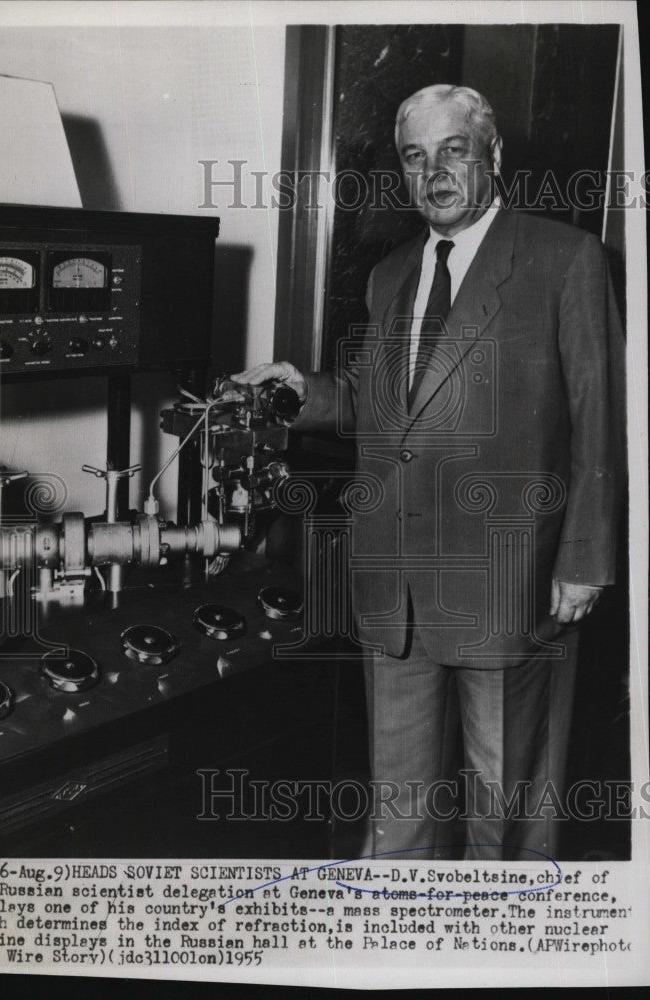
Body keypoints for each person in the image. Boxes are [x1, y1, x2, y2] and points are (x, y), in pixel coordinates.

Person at [233, 84, 624, 861]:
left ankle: (503, 960)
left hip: (509, 585)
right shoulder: (390, 276)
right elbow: (390, 411)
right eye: (415, 157)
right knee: (399, 808)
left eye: (453, 150)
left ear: (492, 156)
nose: (433, 172)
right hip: (398, 590)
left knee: (502, 812)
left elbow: (600, 424)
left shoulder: (563, 259)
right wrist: (301, 393)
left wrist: (584, 562)